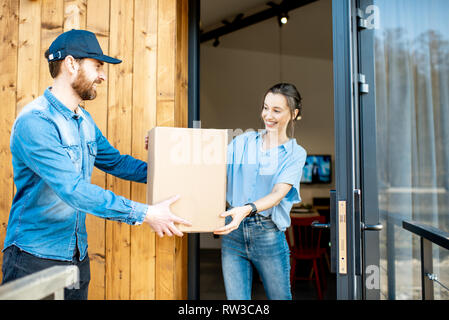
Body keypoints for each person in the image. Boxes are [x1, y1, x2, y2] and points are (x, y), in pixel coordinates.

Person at [1, 29, 191, 300]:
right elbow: (73, 190)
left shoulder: (84, 121)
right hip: (35, 260)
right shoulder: (36, 122)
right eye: (98, 66)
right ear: (70, 64)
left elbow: (116, 162)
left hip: (76, 256)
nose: (102, 76)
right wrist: (145, 213)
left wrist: (173, 171)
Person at [214, 83, 307, 300]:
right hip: (233, 233)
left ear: (293, 114)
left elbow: (277, 194)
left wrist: (246, 210)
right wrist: (160, 145)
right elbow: (209, 163)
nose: (268, 115)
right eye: (265, 108)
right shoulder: (243, 141)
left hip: (268, 235)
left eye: (276, 110)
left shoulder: (295, 154)